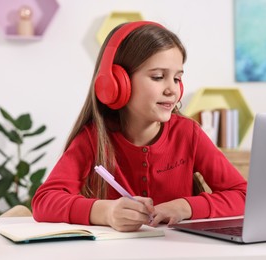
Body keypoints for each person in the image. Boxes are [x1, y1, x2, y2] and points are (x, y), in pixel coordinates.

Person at [32, 21, 247, 232]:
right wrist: (106, 212)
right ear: (117, 83)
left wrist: (185, 206)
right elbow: (44, 202)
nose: (172, 89)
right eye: (158, 77)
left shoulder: (188, 133)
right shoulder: (94, 138)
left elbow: (244, 195)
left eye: (177, 78)